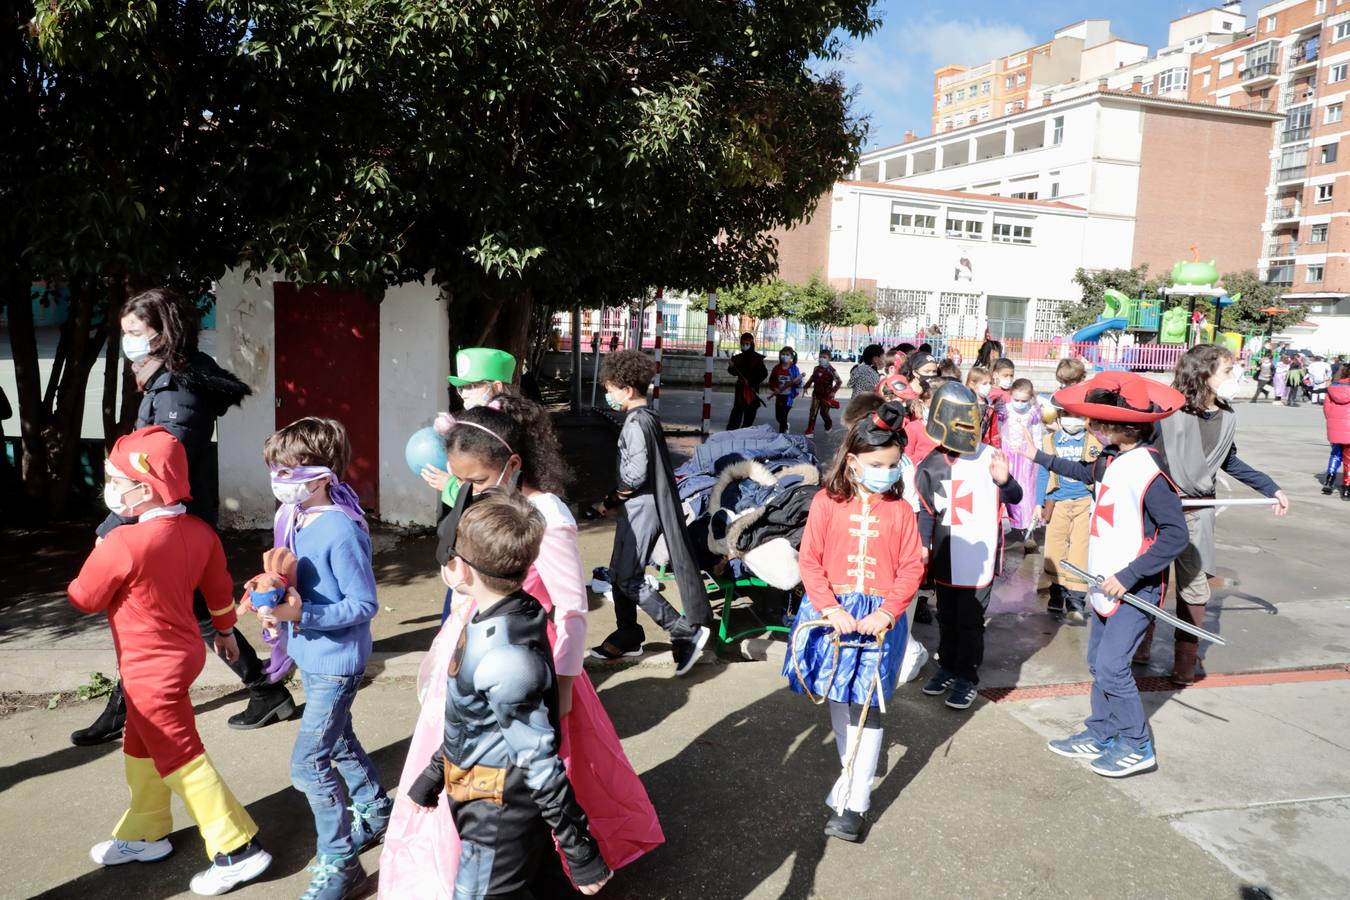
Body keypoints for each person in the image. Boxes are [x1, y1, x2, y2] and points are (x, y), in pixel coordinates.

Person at [381, 408, 661, 895]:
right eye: (462, 480)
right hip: (478, 637)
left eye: (480, 478)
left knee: (535, 770)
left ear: (512, 463)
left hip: (535, 658)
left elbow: (573, 607)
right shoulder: (487, 497)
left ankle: (548, 860)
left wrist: (569, 683)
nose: (473, 489)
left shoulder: (546, 515)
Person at [74, 288, 293, 748]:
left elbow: (156, 468)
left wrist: (114, 527)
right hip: (169, 517)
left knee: (158, 611)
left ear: (162, 332)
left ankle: (262, 690)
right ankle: (264, 690)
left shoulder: (177, 389)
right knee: (183, 610)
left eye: (136, 332)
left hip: (169, 520)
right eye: (126, 333)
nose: (129, 341)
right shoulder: (167, 379)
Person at [68, 427, 271, 894]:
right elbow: (219, 589)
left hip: (147, 667)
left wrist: (97, 555)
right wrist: (225, 633)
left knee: (181, 756)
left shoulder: (122, 543)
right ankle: (146, 830)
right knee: (140, 745)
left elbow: (83, 597)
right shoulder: (198, 531)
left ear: (145, 487)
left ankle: (238, 848)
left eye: (116, 480)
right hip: (182, 655)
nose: (111, 487)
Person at [405, 491, 613, 897]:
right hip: (488, 795)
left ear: (459, 569)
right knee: (539, 882)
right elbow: (471, 718)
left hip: (496, 811)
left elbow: (540, 762)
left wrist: (580, 850)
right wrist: (433, 774)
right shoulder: (505, 613)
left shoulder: (507, 658)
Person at [1015, 372, 1189, 776]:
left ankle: (1136, 743)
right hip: (1104, 584)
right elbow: (1083, 472)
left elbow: (1174, 535)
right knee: (1098, 661)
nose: (1091, 427)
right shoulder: (1111, 459)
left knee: (1113, 665)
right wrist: (1037, 456)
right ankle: (1102, 731)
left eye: (1099, 422)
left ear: (1123, 428)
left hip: (1134, 589)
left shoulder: (1149, 471)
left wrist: (1129, 576)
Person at [784, 401, 925, 843]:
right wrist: (833, 610)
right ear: (852, 462)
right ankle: (848, 783)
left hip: (881, 620)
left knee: (870, 707)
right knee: (840, 699)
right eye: (876, 464)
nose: (886, 472)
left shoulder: (901, 511)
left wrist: (885, 612)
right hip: (833, 616)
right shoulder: (826, 503)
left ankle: (854, 802)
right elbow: (810, 561)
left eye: (893, 465)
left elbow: (910, 568)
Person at [262, 417, 389, 899]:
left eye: (287, 471)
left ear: (319, 477)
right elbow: (295, 589)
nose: (278, 480)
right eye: (274, 469)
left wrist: (303, 613)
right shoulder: (294, 520)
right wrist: (275, 609)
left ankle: (341, 864)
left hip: (337, 663)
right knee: (337, 742)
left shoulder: (338, 529)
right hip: (311, 656)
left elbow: (362, 605)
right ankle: (376, 811)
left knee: (308, 764)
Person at [1152, 346, 1288, 684]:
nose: (1235, 377)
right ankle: (1140, 644)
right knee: (1149, 580)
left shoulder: (1227, 416)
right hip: (1160, 509)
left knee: (1195, 587)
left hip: (1199, 513)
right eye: (1228, 370)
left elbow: (1230, 461)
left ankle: (1184, 660)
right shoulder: (1167, 411)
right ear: (1203, 373)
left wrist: (1270, 487)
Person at [590, 350, 713, 672]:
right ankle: (628, 634)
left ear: (627, 389)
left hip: (641, 507)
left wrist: (611, 500)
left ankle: (683, 633)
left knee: (629, 577)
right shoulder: (648, 417)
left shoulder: (636, 423)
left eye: (610, 388)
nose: (608, 394)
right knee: (618, 572)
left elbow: (634, 476)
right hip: (641, 505)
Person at [915, 383, 1022, 710]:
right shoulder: (930, 466)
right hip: (946, 555)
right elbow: (926, 514)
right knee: (947, 616)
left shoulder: (991, 457)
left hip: (981, 556)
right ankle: (947, 666)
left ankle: (966, 676)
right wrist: (922, 548)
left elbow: (1015, 497)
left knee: (971, 619)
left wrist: (1005, 481)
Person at [422, 348, 517, 506]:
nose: (465, 394)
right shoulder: (475, 423)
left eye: (472, 386)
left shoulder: (507, 427)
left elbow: (495, 494)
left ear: (497, 387)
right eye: (462, 388)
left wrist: (450, 486)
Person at [999, 378, 1045, 552]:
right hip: (1008, 453)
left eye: (1024, 401)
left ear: (1030, 398)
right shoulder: (1005, 410)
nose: (1019, 404)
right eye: (1016, 399)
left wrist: (1038, 455)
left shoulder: (1033, 412)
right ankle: (1015, 525)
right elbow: (998, 428)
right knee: (1009, 489)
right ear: (1010, 396)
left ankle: (1028, 528)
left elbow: (1037, 434)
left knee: (1026, 492)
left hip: (1026, 457)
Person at [726, 333, 768, 431]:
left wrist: (752, 382)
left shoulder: (757, 359)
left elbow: (763, 374)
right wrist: (731, 367)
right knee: (738, 409)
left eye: (747, 344)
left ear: (751, 344)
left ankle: (746, 430)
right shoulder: (737, 358)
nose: (745, 346)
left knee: (751, 411)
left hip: (752, 388)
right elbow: (733, 372)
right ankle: (732, 430)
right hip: (741, 388)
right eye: (743, 344)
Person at [1323, 367, 1350, 498]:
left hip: (1335, 427)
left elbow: (1327, 410)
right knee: (1348, 460)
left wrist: (1333, 422)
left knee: (1335, 454)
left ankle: (1329, 480)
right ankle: (1346, 488)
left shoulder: (1332, 388)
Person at [804, 348, 843, 435]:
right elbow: (812, 378)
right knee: (813, 412)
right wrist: (806, 385)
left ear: (829, 359)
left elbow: (839, 382)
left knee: (823, 413)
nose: (821, 359)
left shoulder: (832, 370)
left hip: (826, 396)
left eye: (824, 357)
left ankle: (828, 423)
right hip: (816, 394)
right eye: (820, 357)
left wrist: (833, 391)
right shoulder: (816, 369)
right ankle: (810, 430)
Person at [769, 346, 804, 433]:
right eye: (783, 354)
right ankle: (785, 425)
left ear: (791, 357)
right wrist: (775, 388)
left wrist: (797, 382)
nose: (785, 356)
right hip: (779, 396)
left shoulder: (794, 369)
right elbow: (771, 381)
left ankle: (782, 434)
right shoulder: (776, 368)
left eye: (787, 355)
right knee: (778, 417)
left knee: (784, 415)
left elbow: (800, 384)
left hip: (789, 396)